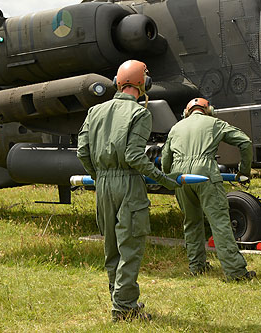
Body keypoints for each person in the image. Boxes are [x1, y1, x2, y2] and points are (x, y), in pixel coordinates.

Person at [77, 60, 180, 322]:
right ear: (142, 84)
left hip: (103, 185)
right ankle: (124, 308)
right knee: (130, 247)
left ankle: (120, 298)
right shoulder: (140, 113)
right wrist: (163, 179)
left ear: (117, 82)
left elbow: (82, 151)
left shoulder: (95, 111)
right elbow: (134, 156)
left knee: (111, 247)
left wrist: (98, 176)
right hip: (128, 183)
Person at [161, 97, 256, 281]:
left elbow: (165, 161)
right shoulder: (214, 123)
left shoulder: (176, 127)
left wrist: (172, 176)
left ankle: (197, 267)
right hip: (205, 175)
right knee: (219, 222)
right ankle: (235, 272)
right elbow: (245, 142)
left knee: (191, 222)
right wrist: (244, 172)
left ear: (187, 112)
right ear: (209, 110)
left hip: (180, 177)